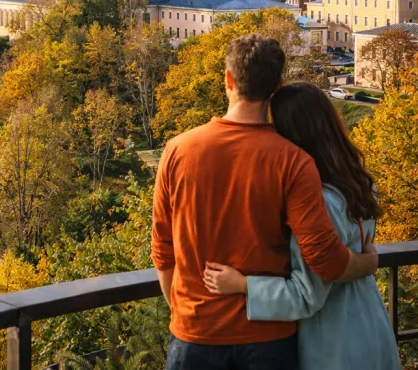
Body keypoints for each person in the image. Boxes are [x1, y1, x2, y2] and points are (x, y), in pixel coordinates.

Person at [151, 34, 378, 370]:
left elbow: (162, 249)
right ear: (277, 86)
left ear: (228, 80)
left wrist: (184, 312)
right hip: (268, 338)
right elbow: (326, 261)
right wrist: (368, 262)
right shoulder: (294, 162)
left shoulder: (178, 150)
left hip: (195, 331)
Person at [202, 82, 400, 370]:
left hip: (334, 339)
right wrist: (367, 263)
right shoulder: (360, 183)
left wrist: (243, 285)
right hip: (371, 324)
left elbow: (307, 294)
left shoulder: (318, 201)